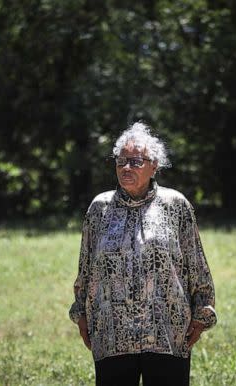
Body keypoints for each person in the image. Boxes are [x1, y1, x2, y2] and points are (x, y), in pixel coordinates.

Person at [69, 122, 217, 386]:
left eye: (136, 162)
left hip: (168, 333)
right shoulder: (99, 208)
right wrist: (81, 313)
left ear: (154, 166)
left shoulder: (176, 205)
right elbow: (86, 266)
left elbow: (196, 264)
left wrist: (202, 312)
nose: (126, 168)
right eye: (121, 161)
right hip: (111, 332)